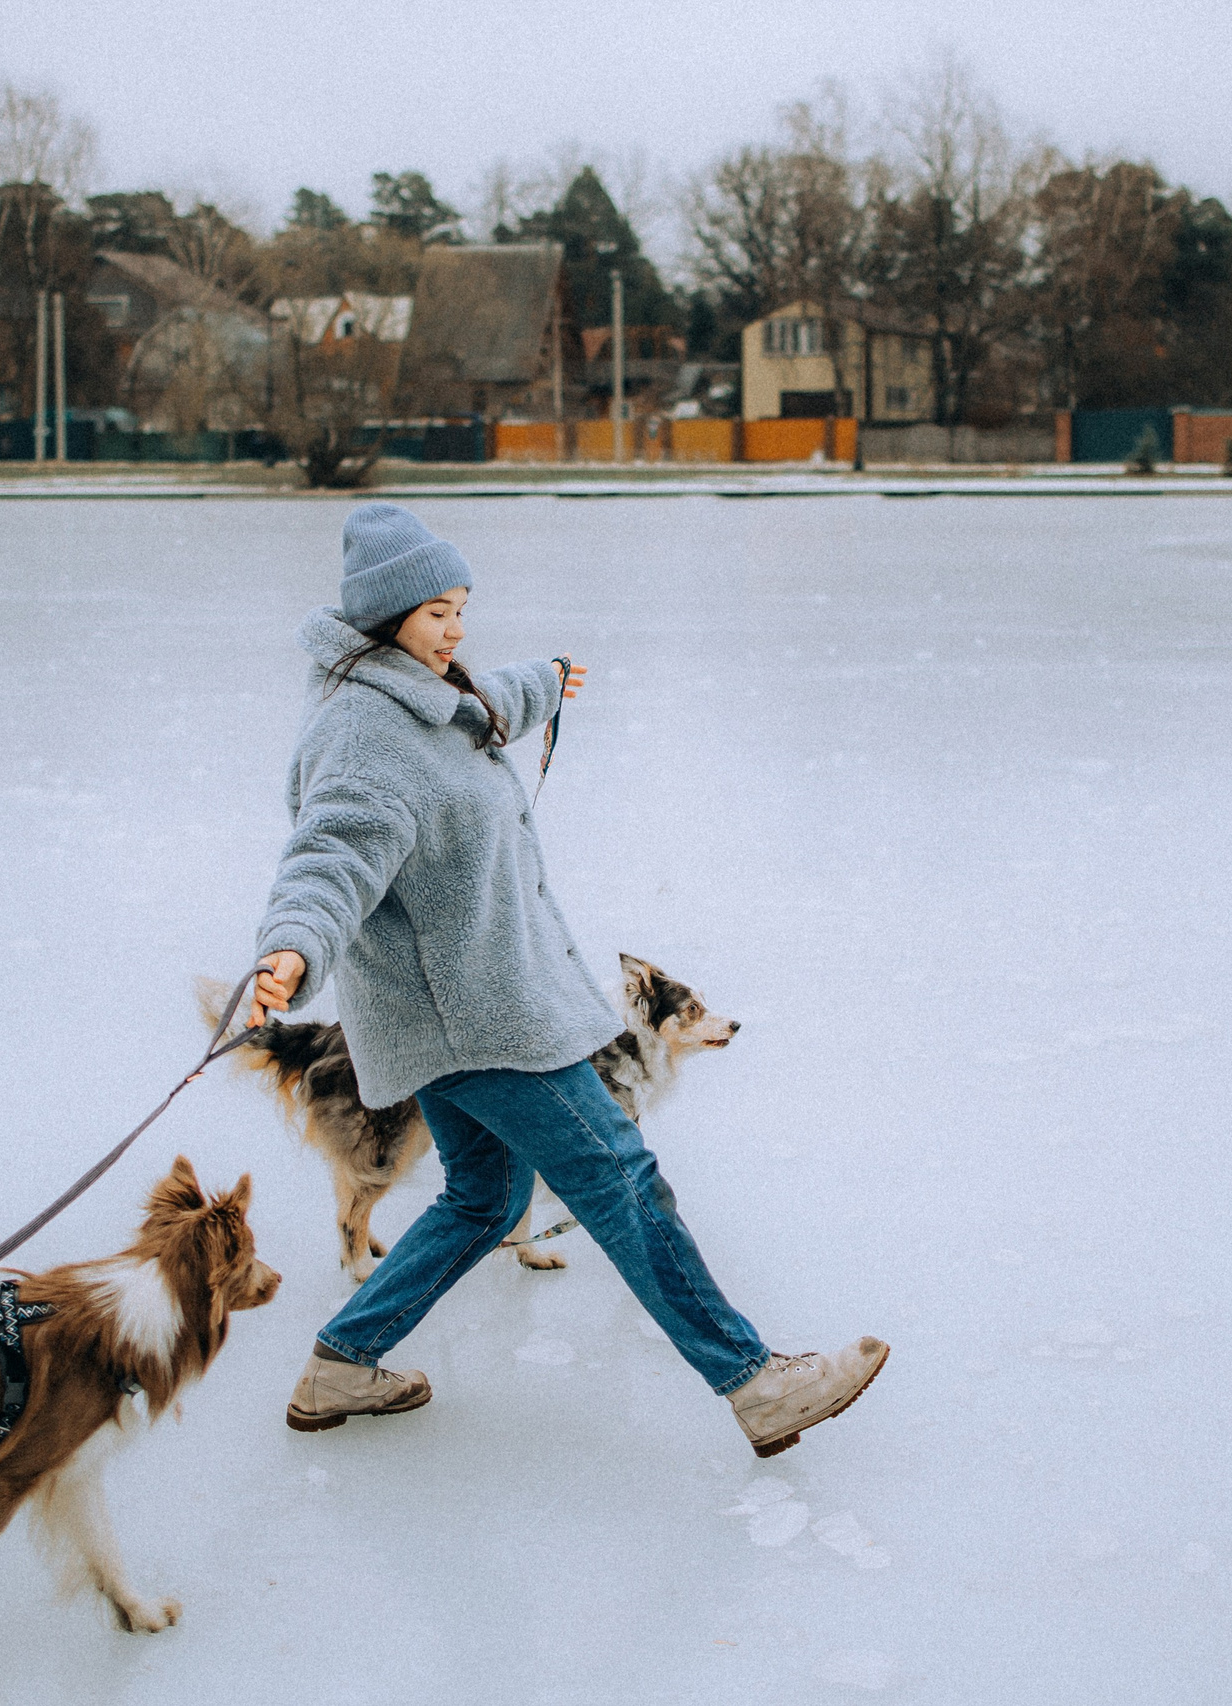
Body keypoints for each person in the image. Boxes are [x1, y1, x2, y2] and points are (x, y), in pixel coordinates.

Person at [245, 503, 885, 1457]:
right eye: (435, 613)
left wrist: (543, 684)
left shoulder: (412, 691)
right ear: (384, 621)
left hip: (458, 1012)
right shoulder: (363, 734)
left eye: (462, 607)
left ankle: (343, 1361)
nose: (456, 630)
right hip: (481, 1016)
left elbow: (476, 706)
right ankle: (757, 1385)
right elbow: (331, 851)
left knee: (485, 1197)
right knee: (621, 1179)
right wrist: (293, 944)